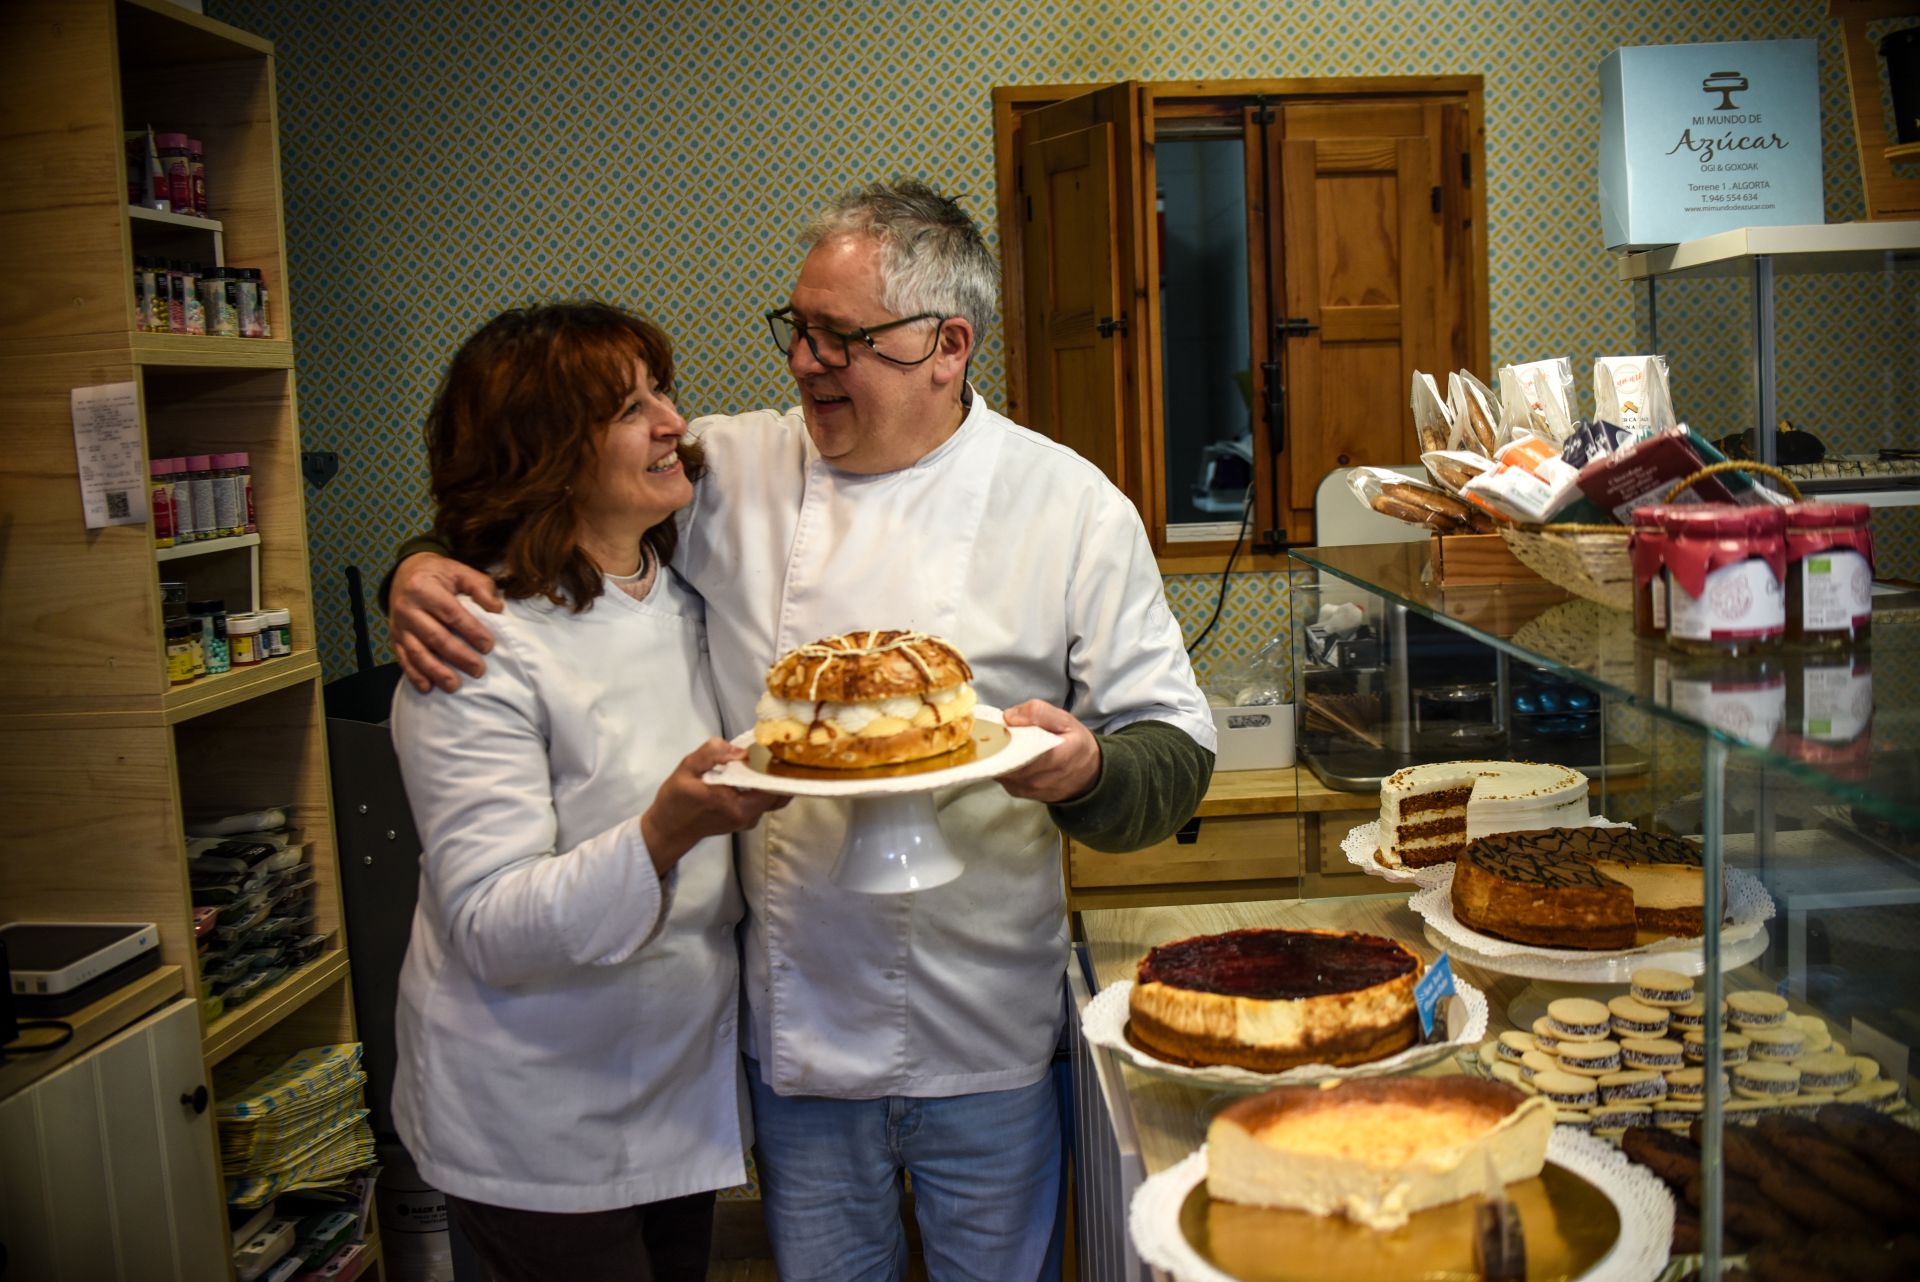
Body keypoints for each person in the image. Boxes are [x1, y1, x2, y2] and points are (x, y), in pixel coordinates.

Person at [387, 179, 1216, 1282]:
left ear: (947, 345)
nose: (804, 361)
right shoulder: (729, 470)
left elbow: (1178, 746)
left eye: (843, 338)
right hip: (795, 1035)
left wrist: (1090, 768)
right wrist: (422, 565)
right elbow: (550, 491)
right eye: (798, 328)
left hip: (987, 1026)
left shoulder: (1067, 505)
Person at [387, 300, 787, 1282]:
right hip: (536, 1112)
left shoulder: (686, 594)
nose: (672, 423)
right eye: (628, 408)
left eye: (662, 390)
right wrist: (663, 831)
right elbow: (489, 920)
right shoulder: (476, 648)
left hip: (672, 1077)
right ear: (544, 454)